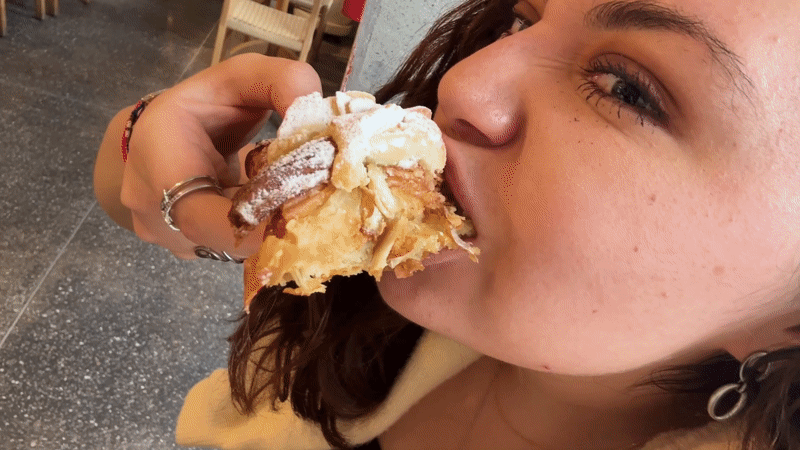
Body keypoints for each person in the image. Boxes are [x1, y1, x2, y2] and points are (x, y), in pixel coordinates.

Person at [94, 0, 800, 449]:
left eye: (629, 90)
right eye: (523, 19)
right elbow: (120, 187)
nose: (463, 86)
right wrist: (164, 158)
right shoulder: (385, 290)